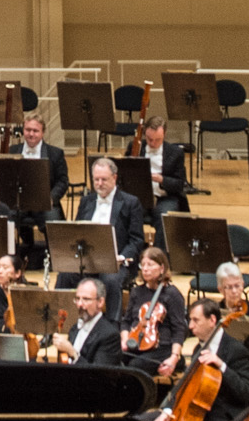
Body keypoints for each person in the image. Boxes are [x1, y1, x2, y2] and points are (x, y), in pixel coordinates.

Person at [57, 157, 146, 318]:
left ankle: (113, 325)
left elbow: (136, 239)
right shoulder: (86, 201)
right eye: (96, 179)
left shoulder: (131, 202)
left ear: (114, 178)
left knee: (110, 279)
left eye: (104, 179)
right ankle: (58, 323)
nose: (99, 183)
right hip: (87, 260)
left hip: (115, 262)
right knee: (65, 274)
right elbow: (76, 233)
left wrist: (122, 257)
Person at [118, 246, 188, 376]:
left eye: (150, 265)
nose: (145, 269)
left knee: (135, 367)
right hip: (136, 344)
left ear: (162, 268)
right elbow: (126, 322)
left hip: (162, 348)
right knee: (114, 358)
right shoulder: (136, 292)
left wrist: (174, 357)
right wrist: (125, 339)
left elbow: (179, 329)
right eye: (142, 265)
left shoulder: (172, 294)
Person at [12, 114, 70, 267]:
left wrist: (51, 198)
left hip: (45, 203)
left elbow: (62, 182)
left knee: (53, 220)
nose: (31, 134)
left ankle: (59, 262)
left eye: (35, 131)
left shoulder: (55, 153)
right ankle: (9, 261)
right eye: (27, 130)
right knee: (3, 216)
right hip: (20, 203)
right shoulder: (13, 151)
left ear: (43, 132)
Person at [134, 117, 190, 251]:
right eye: (149, 139)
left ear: (164, 134)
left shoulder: (175, 153)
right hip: (141, 197)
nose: (152, 143)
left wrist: (161, 179)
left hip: (165, 197)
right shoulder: (136, 147)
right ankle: (134, 254)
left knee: (163, 217)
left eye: (157, 140)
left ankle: (159, 258)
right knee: (129, 214)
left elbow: (179, 184)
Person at [43, 276, 121, 365]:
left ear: (100, 302)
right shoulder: (74, 328)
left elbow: (99, 374)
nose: (80, 304)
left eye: (86, 299)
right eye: (77, 299)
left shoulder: (110, 335)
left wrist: (72, 352)